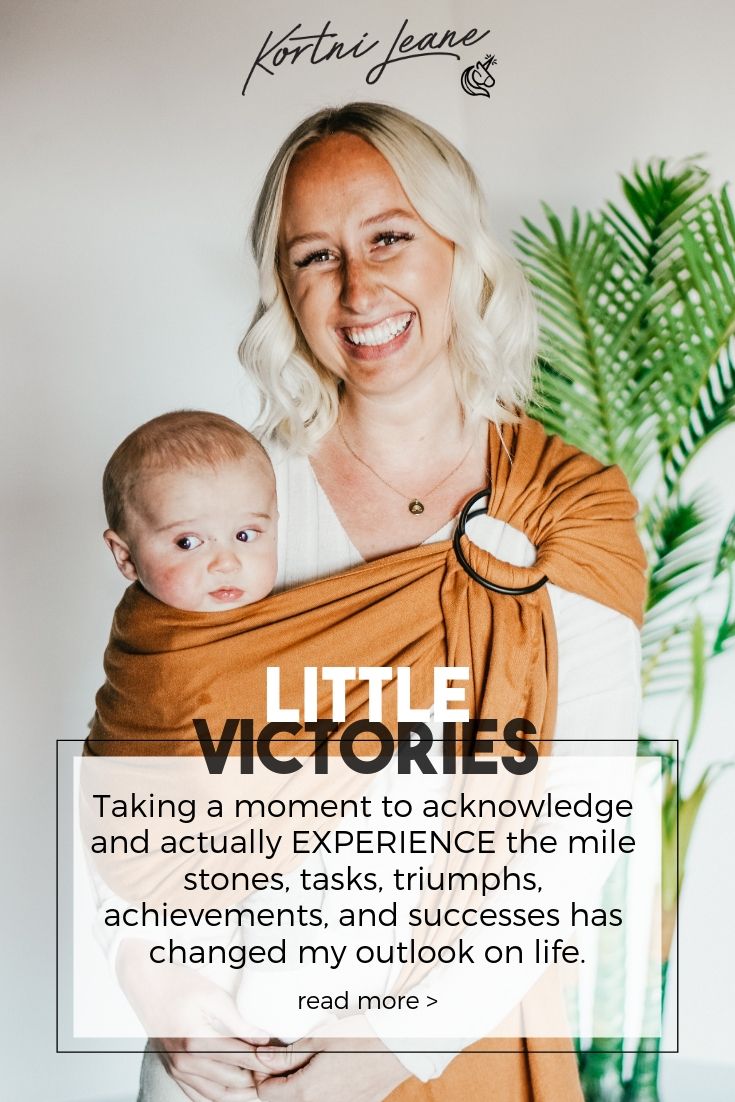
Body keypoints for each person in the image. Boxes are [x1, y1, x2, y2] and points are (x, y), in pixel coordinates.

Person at [140, 103, 642, 1102]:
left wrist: (392, 1046)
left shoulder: (569, 510)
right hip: (238, 1040)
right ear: (284, 289)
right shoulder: (239, 503)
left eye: (389, 238)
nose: (358, 288)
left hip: (463, 1031)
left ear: (459, 247)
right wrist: (166, 991)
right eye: (314, 257)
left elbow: (578, 841)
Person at [102, 410, 278, 611]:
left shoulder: (297, 615)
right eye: (187, 543)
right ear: (126, 557)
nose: (227, 564)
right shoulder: (146, 637)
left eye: (244, 535)